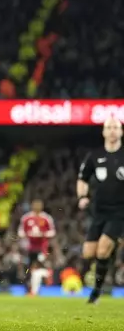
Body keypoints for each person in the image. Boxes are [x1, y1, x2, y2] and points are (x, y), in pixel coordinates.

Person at [77, 116, 124, 303]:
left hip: (120, 212)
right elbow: (82, 178)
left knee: (102, 250)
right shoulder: (94, 156)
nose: (112, 130)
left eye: (116, 127)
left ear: (121, 132)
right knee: (89, 253)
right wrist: (82, 196)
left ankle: (96, 293)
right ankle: (114, 249)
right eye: (109, 127)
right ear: (103, 132)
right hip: (98, 211)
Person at [17, 199, 55, 295]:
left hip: (42, 247)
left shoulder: (46, 218)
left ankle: (37, 288)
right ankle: (31, 289)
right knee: (29, 269)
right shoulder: (26, 218)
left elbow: (52, 232)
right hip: (29, 248)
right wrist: (28, 234)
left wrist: (43, 234)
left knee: (38, 267)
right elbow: (20, 232)